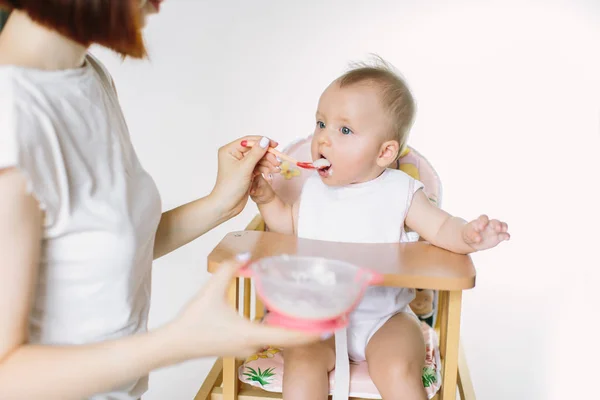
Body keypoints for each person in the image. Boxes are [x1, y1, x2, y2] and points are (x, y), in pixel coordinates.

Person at [0, 1, 319, 399]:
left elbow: (101, 253)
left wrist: (221, 201)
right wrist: (178, 343)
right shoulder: (12, 119)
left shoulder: (88, 77)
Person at [250, 58, 510, 400]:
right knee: (301, 362)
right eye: (321, 123)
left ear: (385, 152)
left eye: (344, 130)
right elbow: (287, 226)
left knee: (397, 367)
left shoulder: (400, 191)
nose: (323, 139)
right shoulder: (312, 189)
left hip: (384, 318)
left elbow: (442, 226)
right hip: (317, 317)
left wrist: (467, 236)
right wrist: (266, 198)